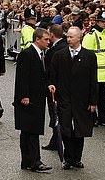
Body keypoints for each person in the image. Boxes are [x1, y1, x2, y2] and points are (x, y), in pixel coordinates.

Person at [49, 26, 98, 170]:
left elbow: (93, 80)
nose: (68, 39)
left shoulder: (89, 56)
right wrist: (55, 96)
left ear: (79, 38)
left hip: (82, 99)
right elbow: (53, 77)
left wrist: (93, 101)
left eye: (71, 37)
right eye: (67, 37)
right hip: (64, 97)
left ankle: (77, 158)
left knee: (80, 130)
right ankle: (68, 158)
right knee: (65, 128)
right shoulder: (59, 55)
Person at [14, 27, 52, 172]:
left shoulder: (42, 54)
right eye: (46, 39)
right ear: (37, 39)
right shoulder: (27, 54)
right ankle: (34, 161)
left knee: (30, 131)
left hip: (38, 97)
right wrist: (24, 95)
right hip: (29, 99)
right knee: (30, 131)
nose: (48, 42)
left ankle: (28, 161)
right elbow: (22, 77)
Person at [81, 10, 105, 126]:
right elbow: (85, 54)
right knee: (93, 98)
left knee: (103, 99)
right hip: (95, 73)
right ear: (97, 22)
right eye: (102, 21)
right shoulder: (91, 35)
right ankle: (92, 118)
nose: (104, 24)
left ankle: (103, 118)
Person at [42, 23, 66, 151]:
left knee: (55, 114)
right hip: (58, 86)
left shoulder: (56, 50)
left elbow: (50, 70)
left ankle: (57, 140)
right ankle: (55, 139)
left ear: (52, 34)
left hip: (55, 87)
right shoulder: (62, 47)